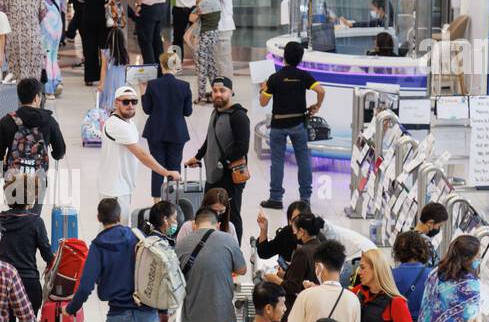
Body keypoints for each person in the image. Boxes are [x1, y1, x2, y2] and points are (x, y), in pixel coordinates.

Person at [99, 86, 180, 224]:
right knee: (116, 231)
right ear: (116, 103)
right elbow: (142, 155)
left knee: (115, 230)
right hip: (116, 189)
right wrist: (165, 172)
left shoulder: (126, 122)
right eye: (125, 102)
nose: (130, 105)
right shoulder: (118, 125)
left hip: (119, 185)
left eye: (134, 101)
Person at [259, 41, 324, 209]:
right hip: (298, 123)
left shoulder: (275, 78)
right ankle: (305, 199)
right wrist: (316, 106)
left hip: (279, 124)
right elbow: (321, 91)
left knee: (277, 161)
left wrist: (263, 88)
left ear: (284, 56)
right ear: (300, 58)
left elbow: (263, 102)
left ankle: (275, 198)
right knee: (303, 160)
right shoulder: (303, 76)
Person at [185, 75, 250, 241]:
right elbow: (210, 138)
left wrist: (222, 162)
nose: (218, 94)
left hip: (230, 178)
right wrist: (198, 156)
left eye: (222, 90)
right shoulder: (216, 112)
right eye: (215, 91)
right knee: (208, 213)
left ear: (231, 92)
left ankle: (235, 250)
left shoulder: (239, 116)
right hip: (213, 175)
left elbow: (242, 147)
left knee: (231, 216)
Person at [0, 77, 67, 212]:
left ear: (19, 98)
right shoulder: (49, 121)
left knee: (15, 213)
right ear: (37, 97)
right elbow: (60, 152)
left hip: (13, 178)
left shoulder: (7, 121)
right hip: (38, 180)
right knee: (33, 218)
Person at [0, 182, 54, 319]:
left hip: (4, 280)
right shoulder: (36, 222)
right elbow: (47, 255)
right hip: (29, 282)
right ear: (30, 200)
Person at [268, 212, 326, 317]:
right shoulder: (322, 247)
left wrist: (275, 279)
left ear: (302, 232)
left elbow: (293, 287)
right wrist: (286, 275)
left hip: (298, 308)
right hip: (318, 304)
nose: (294, 234)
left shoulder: (303, 252)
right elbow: (306, 275)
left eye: (295, 231)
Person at [0, 0, 46, 84]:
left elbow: (2, 15)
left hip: (14, 38)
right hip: (33, 38)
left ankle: (16, 98)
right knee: (33, 71)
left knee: (15, 72)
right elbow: (42, 14)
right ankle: (33, 98)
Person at [73, 0, 111, 87]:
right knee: (104, 49)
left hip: (88, 18)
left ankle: (90, 77)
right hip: (104, 19)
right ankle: (105, 75)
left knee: (89, 49)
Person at [189, 0, 224, 103]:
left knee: (202, 67)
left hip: (204, 37)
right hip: (213, 35)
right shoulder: (217, 1)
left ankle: (202, 96)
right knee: (211, 67)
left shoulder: (204, 2)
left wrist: (195, 11)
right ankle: (217, 93)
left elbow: (191, 18)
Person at [201, 0, 235, 78]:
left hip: (223, 27)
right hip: (212, 27)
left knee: (223, 61)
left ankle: (227, 89)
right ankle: (218, 89)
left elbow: (213, 1)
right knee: (215, 62)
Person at [255, 199, 311, 268]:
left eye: (297, 220)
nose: (294, 224)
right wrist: (263, 229)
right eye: (292, 219)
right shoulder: (287, 232)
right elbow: (264, 253)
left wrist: (280, 278)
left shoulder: (314, 241)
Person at [39, 0, 66, 97]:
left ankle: (49, 89)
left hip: (45, 30)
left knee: (47, 59)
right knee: (53, 58)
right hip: (57, 29)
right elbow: (62, 11)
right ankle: (57, 81)